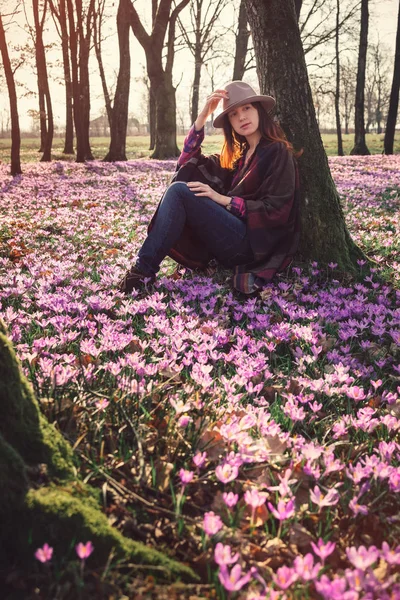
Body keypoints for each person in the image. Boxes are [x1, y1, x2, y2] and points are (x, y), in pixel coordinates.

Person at [118, 80, 300, 296]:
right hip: (230, 240)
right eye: (233, 114)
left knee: (179, 191)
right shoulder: (238, 159)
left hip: (255, 245)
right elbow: (187, 162)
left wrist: (223, 200)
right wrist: (202, 117)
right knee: (181, 188)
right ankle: (141, 273)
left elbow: (277, 210)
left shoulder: (277, 151)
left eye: (247, 108)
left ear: (259, 110)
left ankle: (141, 273)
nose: (241, 117)